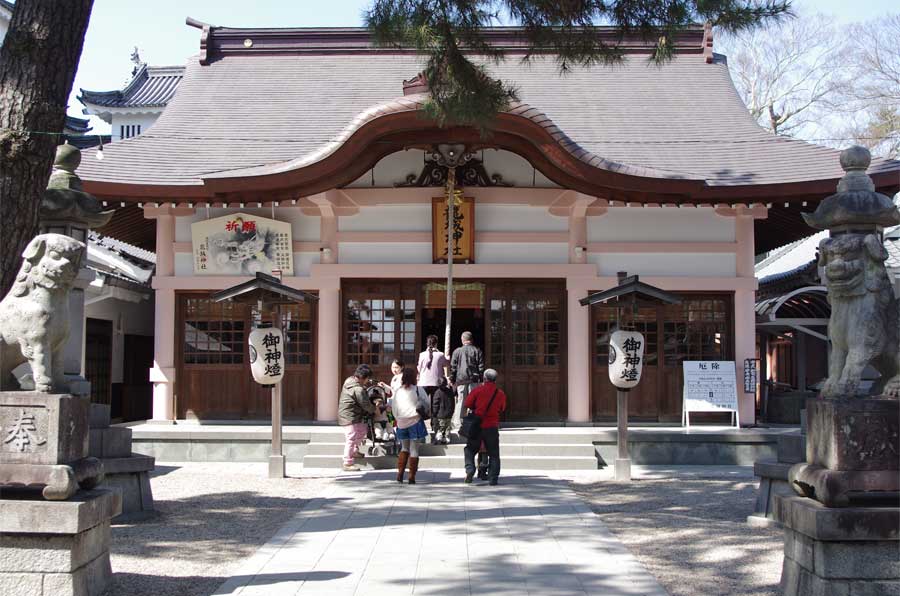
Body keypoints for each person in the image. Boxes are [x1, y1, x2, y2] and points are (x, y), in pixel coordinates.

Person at [463, 368, 506, 485]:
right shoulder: (500, 393)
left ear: (484, 378)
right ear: (495, 380)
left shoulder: (477, 390)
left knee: (470, 449)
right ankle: (493, 478)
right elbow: (502, 408)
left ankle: (470, 468)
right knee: (494, 453)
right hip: (492, 426)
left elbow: (467, 404)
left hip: (477, 425)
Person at [390, 367, 429, 484]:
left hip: (401, 422)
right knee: (414, 449)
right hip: (415, 421)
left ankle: (400, 473)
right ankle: (412, 476)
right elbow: (427, 403)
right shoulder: (418, 389)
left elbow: (394, 408)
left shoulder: (398, 391)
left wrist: (398, 419)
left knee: (404, 448)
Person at [338, 364, 380, 472]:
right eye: (367, 379)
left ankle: (354, 451)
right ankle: (347, 463)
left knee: (362, 430)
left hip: (354, 415)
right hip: (348, 416)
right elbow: (365, 405)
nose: (368, 381)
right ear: (363, 377)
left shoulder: (350, 380)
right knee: (351, 438)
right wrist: (375, 409)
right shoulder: (358, 389)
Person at [449, 331, 484, 434]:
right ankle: (475, 422)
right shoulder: (477, 350)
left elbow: (453, 367)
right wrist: (481, 379)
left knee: (461, 401)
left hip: (461, 380)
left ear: (462, 340)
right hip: (474, 380)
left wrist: (452, 379)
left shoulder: (457, 351)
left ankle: (458, 423)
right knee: (475, 402)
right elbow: (481, 367)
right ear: (471, 340)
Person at [417, 334, 450, 443]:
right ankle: (436, 430)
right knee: (436, 407)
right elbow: (446, 364)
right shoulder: (440, 354)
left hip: (423, 383)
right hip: (437, 384)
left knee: (422, 407)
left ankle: (421, 432)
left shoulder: (422, 355)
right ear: (436, 343)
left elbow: (418, 368)